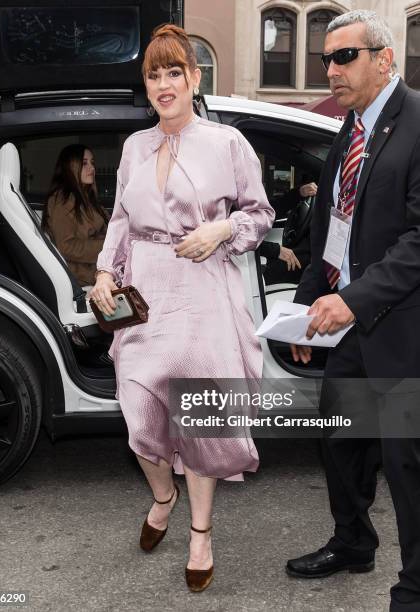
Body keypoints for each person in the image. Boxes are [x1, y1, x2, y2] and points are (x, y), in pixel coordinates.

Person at [90, 24, 274, 592]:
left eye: (176, 72)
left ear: (195, 78)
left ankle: (200, 533)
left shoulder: (226, 142)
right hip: (145, 291)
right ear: (145, 84)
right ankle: (163, 497)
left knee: (197, 417)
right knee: (139, 412)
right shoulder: (132, 147)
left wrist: (220, 228)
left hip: (203, 289)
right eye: (154, 74)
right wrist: (103, 271)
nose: (164, 84)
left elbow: (260, 214)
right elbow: (120, 218)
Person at [285, 10, 420, 612]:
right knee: (340, 438)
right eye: (325, 59)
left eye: (344, 57)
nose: (331, 70)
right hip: (351, 327)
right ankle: (353, 542)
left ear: (383, 59)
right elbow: (334, 231)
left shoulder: (416, 121)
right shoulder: (350, 128)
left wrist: (354, 301)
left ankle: (414, 588)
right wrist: (303, 308)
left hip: (402, 329)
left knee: (405, 460)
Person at [42, 145, 109, 286]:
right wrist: (108, 246)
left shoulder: (86, 199)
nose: (91, 168)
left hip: (100, 270)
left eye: (92, 162)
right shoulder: (62, 200)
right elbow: (66, 246)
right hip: (83, 278)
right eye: (84, 163)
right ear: (70, 167)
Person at [259, 181, 318, 284]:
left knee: (300, 256)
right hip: (251, 268)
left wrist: (300, 192)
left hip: (254, 258)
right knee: (307, 260)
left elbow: (271, 210)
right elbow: (238, 238)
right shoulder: (229, 205)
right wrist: (276, 250)